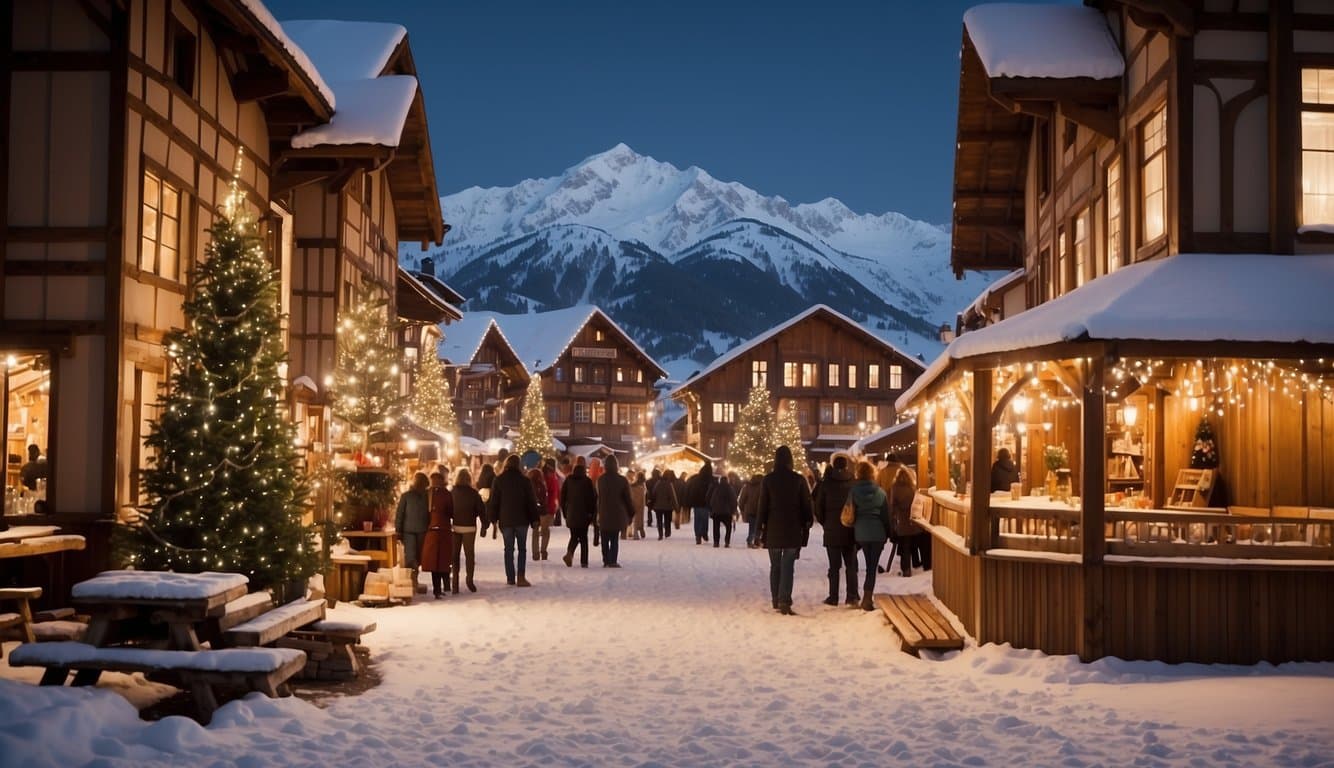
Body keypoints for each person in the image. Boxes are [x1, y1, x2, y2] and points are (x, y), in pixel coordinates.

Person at [756, 445, 813, 615]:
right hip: (792, 528)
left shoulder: (768, 480)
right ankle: (784, 600)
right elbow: (806, 504)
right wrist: (807, 522)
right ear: (790, 460)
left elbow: (762, 507)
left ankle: (775, 598)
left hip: (773, 528)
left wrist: (758, 528)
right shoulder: (798, 479)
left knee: (775, 565)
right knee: (788, 565)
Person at [487, 455, 540, 586]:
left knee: (508, 549)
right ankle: (521, 576)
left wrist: (493, 518)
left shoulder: (499, 480)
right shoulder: (525, 481)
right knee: (522, 549)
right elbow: (531, 502)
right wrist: (534, 519)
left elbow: (494, 501)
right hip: (522, 519)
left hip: (506, 520)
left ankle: (510, 577)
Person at [812, 455, 857, 606]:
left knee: (834, 566)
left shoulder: (826, 484)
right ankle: (852, 595)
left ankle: (833, 596)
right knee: (851, 564)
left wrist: (826, 523)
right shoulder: (853, 482)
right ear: (846, 466)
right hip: (850, 529)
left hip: (832, 529)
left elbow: (818, 508)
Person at [848, 461, 892, 611]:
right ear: (872, 473)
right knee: (872, 567)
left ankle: (862, 596)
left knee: (865, 563)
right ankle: (867, 598)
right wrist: (888, 533)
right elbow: (886, 516)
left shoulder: (853, 491)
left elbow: (849, 511)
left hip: (860, 532)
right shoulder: (880, 492)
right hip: (878, 532)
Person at [595, 455, 634, 568]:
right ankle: (612, 560)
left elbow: (598, 497)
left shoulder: (600, 480)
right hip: (617, 513)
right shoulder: (622, 480)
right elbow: (627, 498)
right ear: (616, 466)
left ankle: (606, 559)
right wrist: (631, 512)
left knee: (604, 537)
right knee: (614, 538)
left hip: (603, 512)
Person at [420, 472, 454, 598]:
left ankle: (437, 589)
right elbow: (451, 512)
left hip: (431, 531)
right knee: (443, 561)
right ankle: (442, 587)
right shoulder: (447, 494)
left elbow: (423, 513)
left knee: (434, 562)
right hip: (444, 530)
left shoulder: (427, 494)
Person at [450, 468, 485, 593]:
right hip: (470, 527)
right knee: (469, 555)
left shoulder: (452, 492)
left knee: (455, 556)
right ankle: (469, 580)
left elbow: (448, 509)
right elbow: (481, 510)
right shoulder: (474, 493)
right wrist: (485, 525)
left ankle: (455, 583)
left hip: (456, 527)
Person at [394, 472, 431, 589]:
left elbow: (400, 514)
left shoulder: (407, 496)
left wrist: (398, 529)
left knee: (412, 557)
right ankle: (413, 580)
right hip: (419, 530)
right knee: (415, 557)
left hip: (411, 530)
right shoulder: (426, 496)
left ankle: (413, 579)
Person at [560, 461, 596, 567]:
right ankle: (583, 561)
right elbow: (592, 499)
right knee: (583, 538)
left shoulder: (568, 480)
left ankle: (569, 554)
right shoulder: (587, 482)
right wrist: (591, 512)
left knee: (574, 535)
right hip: (584, 514)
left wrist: (565, 512)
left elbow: (563, 497)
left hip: (571, 512)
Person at [887, 467, 921, 577]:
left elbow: (892, 505)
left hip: (902, 520)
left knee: (905, 546)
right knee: (912, 545)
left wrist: (892, 518)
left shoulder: (895, 488)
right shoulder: (912, 487)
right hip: (913, 519)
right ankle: (916, 564)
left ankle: (906, 569)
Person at [684, 462, 716, 545]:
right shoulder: (711, 480)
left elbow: (690, 490)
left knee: (697, 519)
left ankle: (698, 535)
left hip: (696, 503)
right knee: (705, 519)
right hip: (706, 503)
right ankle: (704, 533)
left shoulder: (695, 479)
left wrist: (689, 501)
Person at [708, 469, 738, 548]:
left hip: (717, 512)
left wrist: (712, 509)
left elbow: (712, 500)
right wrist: (733, 510)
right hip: (727, 512)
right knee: (728, 527)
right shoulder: (730, 488)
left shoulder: (717, 489)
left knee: (716, 527)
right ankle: (727, 541)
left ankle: (716, 542)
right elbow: (733, 500)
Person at [529, 465, 553, 561]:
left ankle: (535, 553)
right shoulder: (542, 484)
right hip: (543, 511)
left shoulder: (528, 485)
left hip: (533, 511)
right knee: (545, 531)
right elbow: (545, 498)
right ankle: (543, 550)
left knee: (535, 532)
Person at [650, 469, 678, 540]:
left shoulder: (658, 483)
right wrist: (676, 506)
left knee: (659, 520)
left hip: (658, 506)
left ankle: (660, 534)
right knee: (667, 520)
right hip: (668, 506)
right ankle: (667, 532)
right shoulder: (669, 484)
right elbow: (672, 496)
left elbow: (653, 493)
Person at [738, 473, 762, 548]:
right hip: (760, 510)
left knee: (752, 526)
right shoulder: (762, 487)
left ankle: (751, 540)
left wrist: (742, 508)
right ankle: (755, 540)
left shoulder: (747, 487)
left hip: (749, 510)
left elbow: (742, 499)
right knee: (759, 526)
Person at [628, 471, 647, 540]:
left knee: (635, 518)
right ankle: (640, 530)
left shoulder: (632, 485)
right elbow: (644, 494)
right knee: (640, 518)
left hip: (633, 503)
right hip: (641, 504)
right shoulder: (643, 486)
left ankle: (636, 532)